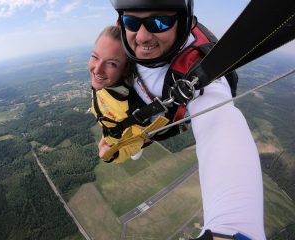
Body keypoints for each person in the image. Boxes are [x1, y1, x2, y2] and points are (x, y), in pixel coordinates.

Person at [102, 0, 265, 239]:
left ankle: (139, 145)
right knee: (136, 137)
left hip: (164, 119)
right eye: (132, 21)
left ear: (182, 21)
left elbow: (219, 122)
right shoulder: (123, 44)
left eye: (159, 21)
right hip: (141, 111)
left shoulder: (199, 70)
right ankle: (138, 145)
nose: (143, 36)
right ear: (121, 22)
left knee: (142, 139)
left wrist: (232, 229)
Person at [89, 26, 168, 163]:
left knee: (135, 154)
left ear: (125, 69)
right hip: (111, 130)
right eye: (95, 57)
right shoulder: (104, 83)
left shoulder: (136, 108)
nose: (97, 69)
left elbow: (134, 143)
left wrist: (112, 155)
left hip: (130, 138)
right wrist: (105, 135)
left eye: (111, 64)